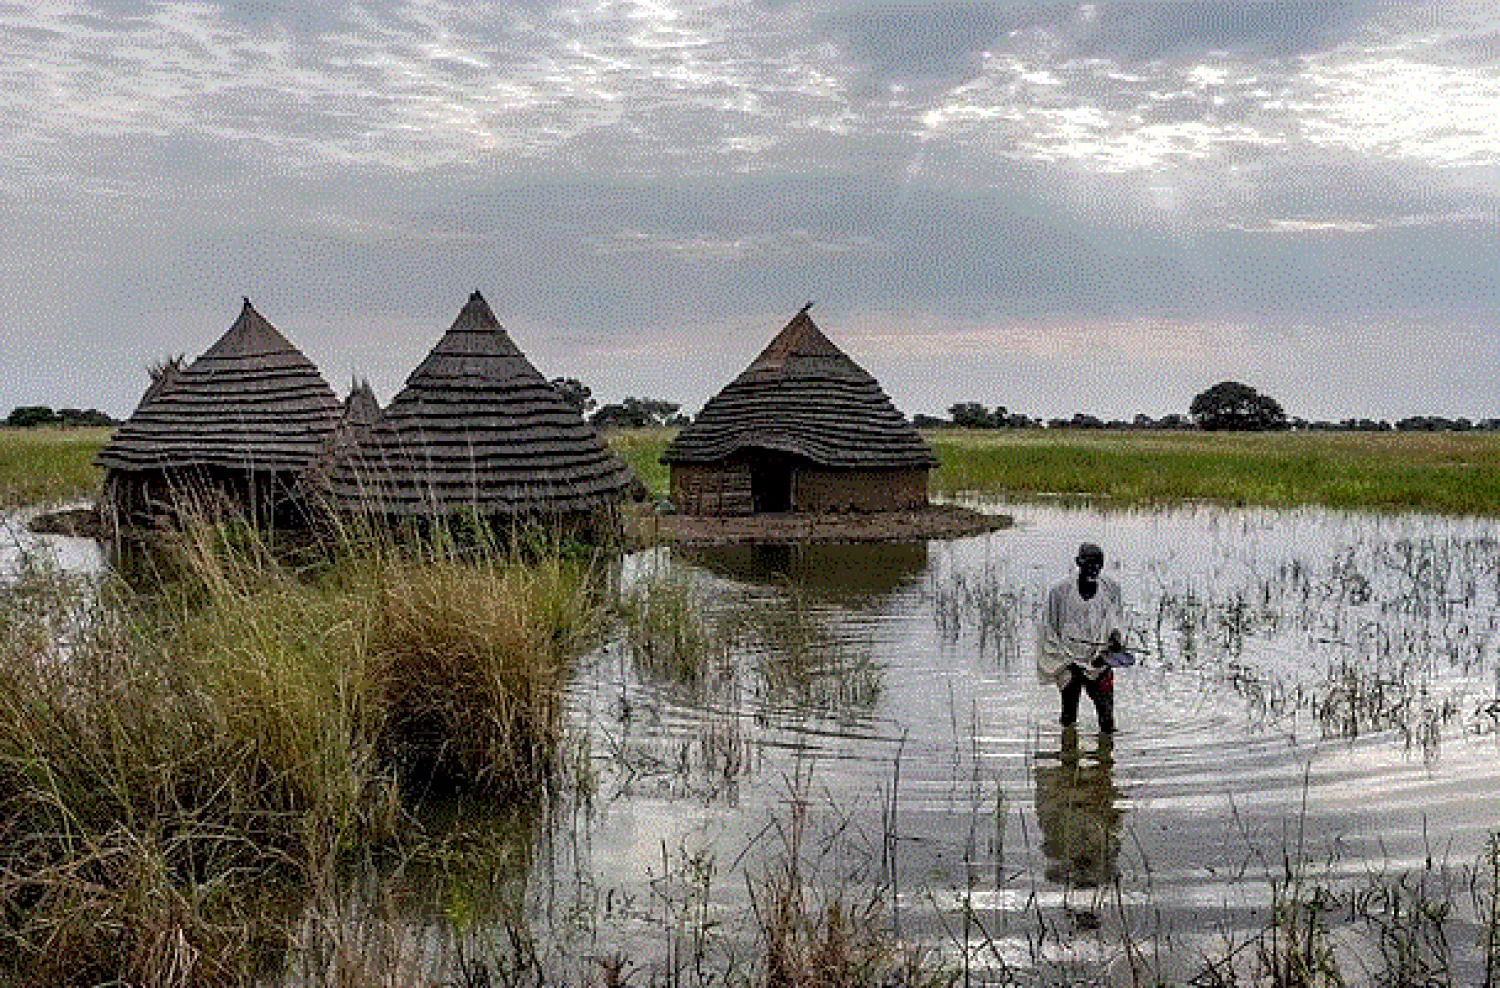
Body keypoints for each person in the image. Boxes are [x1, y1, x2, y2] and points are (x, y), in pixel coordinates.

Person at [1037, 542, 1123, 734]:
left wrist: (1115, 640)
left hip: (1100, 660)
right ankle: (1068, 756)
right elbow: (1048, 630)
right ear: (1078, 562)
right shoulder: (1059, 592)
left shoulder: (1111, 589)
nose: (1094, 569)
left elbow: (1117, 621)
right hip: (1068, 661)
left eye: (1098, 564)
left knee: (1107, 721)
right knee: (1068, 717)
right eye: (1088, 564)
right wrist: (1067, 662)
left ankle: (1105, 759)